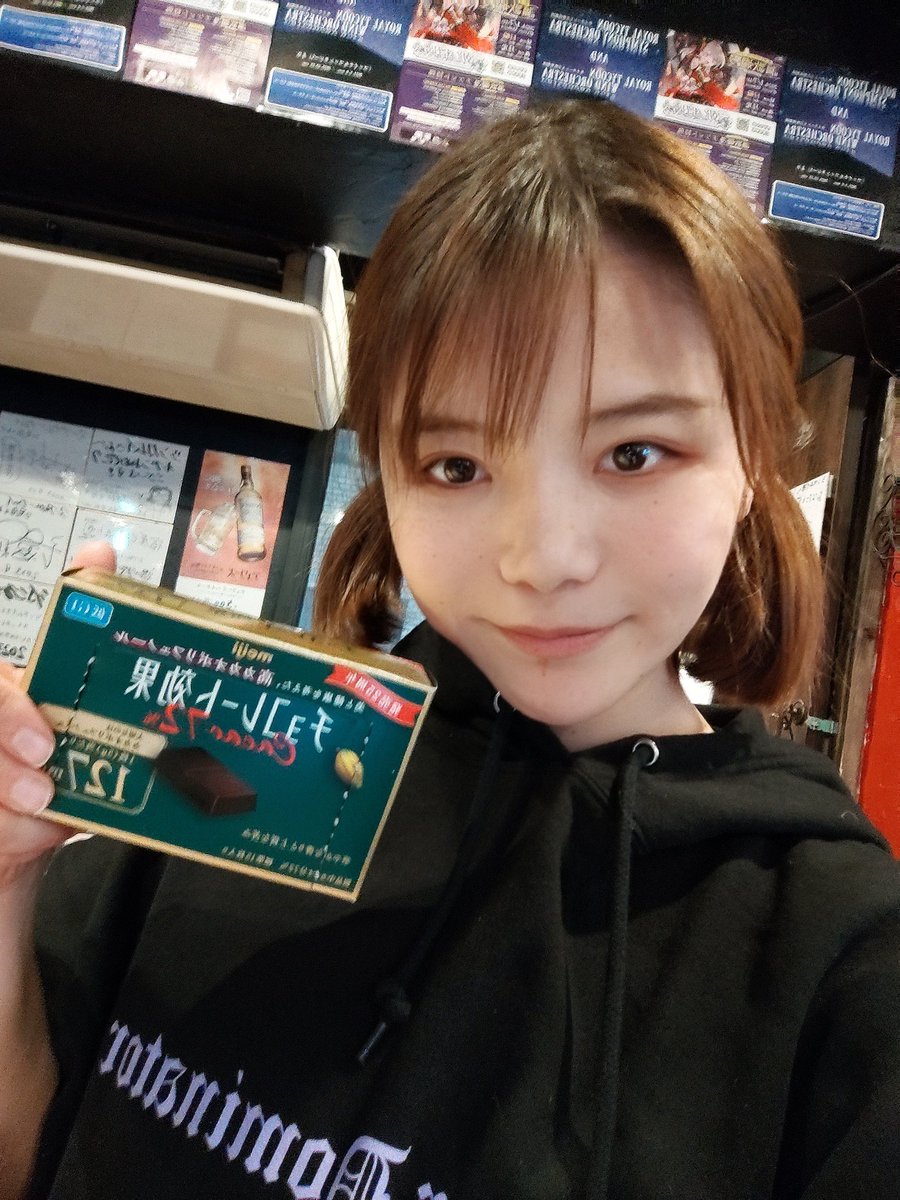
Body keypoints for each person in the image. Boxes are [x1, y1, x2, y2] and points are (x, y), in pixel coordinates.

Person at [1, 100, 899, 1200]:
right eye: (458, 466)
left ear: (754, 458)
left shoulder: (839, 953)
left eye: (634, 452)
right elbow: (36, 1152)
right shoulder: (253, 750)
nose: (543, 559)